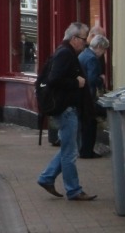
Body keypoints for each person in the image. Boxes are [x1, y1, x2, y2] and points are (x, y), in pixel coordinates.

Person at [37, 22, 97, 201]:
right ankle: (73, 190)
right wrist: (75, 82)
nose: (85, 43)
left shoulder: (66, 52)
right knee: (70, 152)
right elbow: (54, 79)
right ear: (74, 38)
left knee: (70, 148)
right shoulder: (65, 54)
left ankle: (47, 177)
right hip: (66, 109)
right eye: (83, 39)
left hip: (68, 108)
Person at [78, 34, 110, 159]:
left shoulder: (83, 54)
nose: (103, 53)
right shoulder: (92, 59)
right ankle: (87, 151)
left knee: (85, 124)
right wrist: (101, 79)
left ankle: (83, 149)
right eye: (103, 49)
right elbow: (91, 80)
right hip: (88, 97)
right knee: (90, 124)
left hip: (81, 96)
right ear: (98, 47)